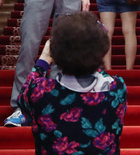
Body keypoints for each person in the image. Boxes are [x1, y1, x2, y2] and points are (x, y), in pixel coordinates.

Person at [16, 11, 127, 155]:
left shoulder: (40, 92)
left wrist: (44, 59)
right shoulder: (116, 88)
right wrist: (92, 47)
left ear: (54, 52)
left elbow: (23, 97)